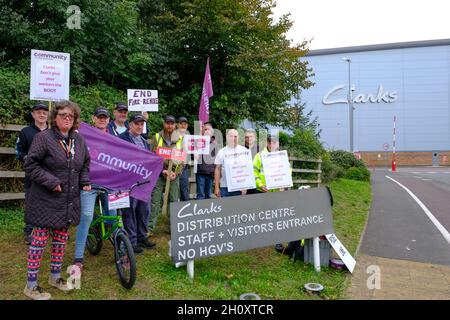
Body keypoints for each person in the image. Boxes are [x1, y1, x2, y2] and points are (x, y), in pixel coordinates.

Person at [23, 100, 91, 300]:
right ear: (55, 118)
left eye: (71, 116)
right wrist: (51, 181)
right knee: (39, 243)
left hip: (67, 202)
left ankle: (55, 277)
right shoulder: (43, 138)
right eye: (63, 115)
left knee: (61, 241)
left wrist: (84, 180)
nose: (67, 119)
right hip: (45, 200)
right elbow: (31, 165)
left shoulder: (78, 141)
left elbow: (85, 163)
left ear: (75, 119)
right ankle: (31, 285)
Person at [73, 107, 117, 270]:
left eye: (105, 117)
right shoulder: (83, 136)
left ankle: (121, 249)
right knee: (86, 216)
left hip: (109, 184)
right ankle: (78, 257)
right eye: (99, 117)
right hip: (88, 184)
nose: (102, 119)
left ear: (108, 120)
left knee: (114, 217)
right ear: (93, 118)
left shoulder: (115, 138)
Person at [119, 114, 156, 253]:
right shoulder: (122, 139)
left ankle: (142, 237)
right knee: (130, 211)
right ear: (130, 125)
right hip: (129, 182)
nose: (140, 127)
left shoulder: (145, 141)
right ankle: (132, 241)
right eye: (137, 124)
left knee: (144, 211)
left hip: (143, 182)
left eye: (142, 124)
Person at [15, 103, 49, 245]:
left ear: (48, 115)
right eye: (38, 112)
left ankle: (50, 227)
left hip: (50, 174)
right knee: (31, 201)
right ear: (33, 114)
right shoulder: (25, 132)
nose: (42, 115)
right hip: (33, 174)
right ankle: (29, 231)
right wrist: (25, 157)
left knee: (51, 201)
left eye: (44, 112)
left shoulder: (54, 131)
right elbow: (18, 151)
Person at [148, 115, 184, 233]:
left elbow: (183, 160)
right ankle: (149, 228)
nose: (170, 126)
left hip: (174, 175)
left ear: (175, 125)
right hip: (159, 174)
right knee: (155, 201)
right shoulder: (157, 137)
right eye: (167, 123)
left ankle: (172, 228)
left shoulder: (180, 139)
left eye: (172, 123)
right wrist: (162, 170)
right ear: (164, 124)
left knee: (173, 201)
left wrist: (176, 173)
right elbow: (152, 157)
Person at [214, 129, 249, 197]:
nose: (233, 138)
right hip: (225, 187)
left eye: (235, 136)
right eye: (231, 136)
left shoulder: (244, 151)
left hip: (239, 188)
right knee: (225, 207)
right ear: (227, 137)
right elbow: (217, 170)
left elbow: (247, 170)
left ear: (238, 137)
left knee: (238, 207)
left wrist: (245, 186)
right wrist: (216, 187)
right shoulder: (221, 151)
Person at [196, 122, 217, 200]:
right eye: (205, 129)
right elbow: (193, 155)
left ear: (212, 131)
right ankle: (199, 211)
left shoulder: (215, 144)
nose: (206, 131)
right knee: (200, 195)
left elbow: (217, 159)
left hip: (210, 173)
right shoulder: (198, 141)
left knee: (208, 195)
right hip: (200, 172)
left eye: (208, 129)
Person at [177, 116, 190, 201]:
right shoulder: (173, 134)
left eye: (185, 124)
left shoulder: (189, 136)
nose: (183, 125)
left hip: (184, 167)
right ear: (177, 125)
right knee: (174, 191)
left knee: (184, 190)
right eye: (181, 124)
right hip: (174, 166)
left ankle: (186, 210)